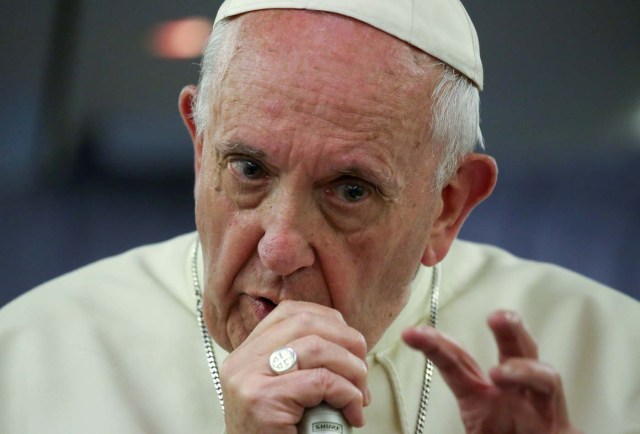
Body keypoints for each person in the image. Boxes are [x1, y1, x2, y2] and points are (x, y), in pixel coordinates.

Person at [1, 0, 639, 433]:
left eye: (350, 191)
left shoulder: (616, 359)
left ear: (447, 207)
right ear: (200, 148)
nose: (279, 248)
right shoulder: (29, 363)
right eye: (249, 170)